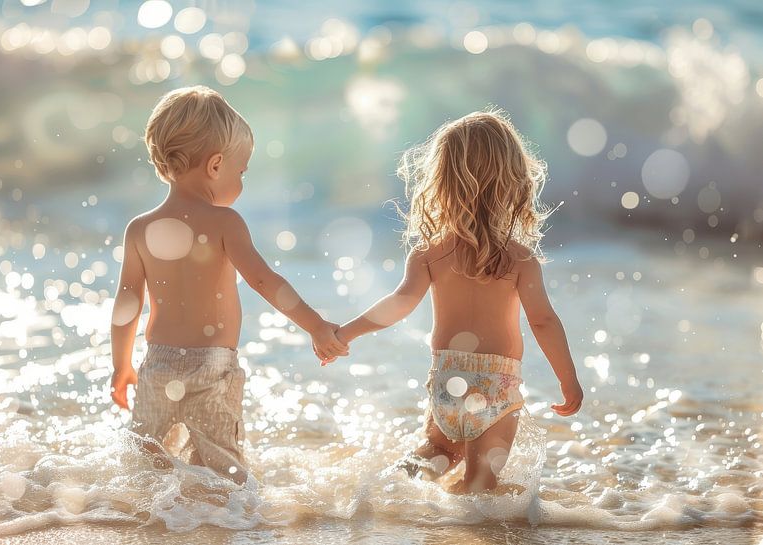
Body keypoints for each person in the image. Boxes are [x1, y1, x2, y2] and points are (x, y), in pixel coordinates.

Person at [325, 110, 582, 493]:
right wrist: (568, 379)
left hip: (448, 380)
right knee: (480, 485)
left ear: (442, 181)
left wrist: (347, 332)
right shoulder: (520, 259)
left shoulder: (430, 254)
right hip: (496, 384)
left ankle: (380, 497)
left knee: (436, 452)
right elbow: (542, 321)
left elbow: (399, 303)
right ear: (513, 181)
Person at [109, 86, 348, 483]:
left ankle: (155, 521)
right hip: (212, 366)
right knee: (224, 468)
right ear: (216, 165)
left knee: (147, 461)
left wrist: (121, 365)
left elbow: (126, 305)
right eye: (242, 171)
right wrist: (316, 326)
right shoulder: (225, 223)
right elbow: (265, 281)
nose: (242, 180)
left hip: (158, 365)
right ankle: (224, 525)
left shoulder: (139, 228)